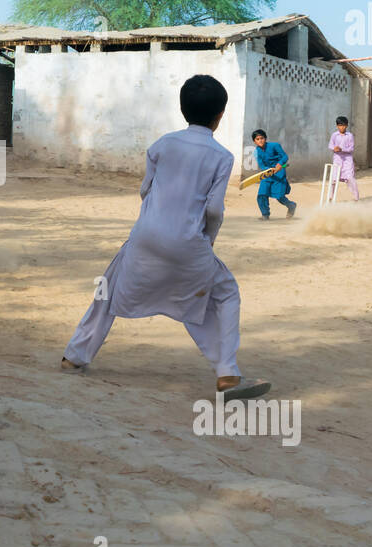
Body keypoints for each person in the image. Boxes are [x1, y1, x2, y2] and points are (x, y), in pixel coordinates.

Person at [60, 75, 271, 401]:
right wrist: (208, 242)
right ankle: (227, 372)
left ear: (182, 109)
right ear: (220, 115)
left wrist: (156, 217)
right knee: (223, 294)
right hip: (189, 243)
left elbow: (146, 189)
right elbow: (214, 209)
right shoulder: (222, 156)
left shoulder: (162, 144)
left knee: (108, 288)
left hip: (145, 236)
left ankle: (75, 355)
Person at [251, 129, 296, 219]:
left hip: (279, 174)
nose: (260, 140)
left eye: (262, 138)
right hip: (267, 174)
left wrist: (280, 164)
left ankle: (291, 205)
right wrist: (268, 170)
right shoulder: (256, 151)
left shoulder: (275, 145)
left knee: (279, 196)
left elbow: (285, 156)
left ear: (265, 138)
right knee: (262, 195)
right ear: (254, 141)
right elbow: (262, 165)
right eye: (257, 139)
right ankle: (265, 215)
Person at [329, 116, 360, 201]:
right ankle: (331, 197)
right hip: (337, 159)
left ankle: (356, 198)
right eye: (339, 125)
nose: (341, 127)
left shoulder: (350, 135)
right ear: (337, 126)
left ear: (346, 126)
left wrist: (342, 149)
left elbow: (351, 148)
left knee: (350, 178)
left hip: (347, 160)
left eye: (343, 125)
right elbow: (330, 145)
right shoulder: (334, 135)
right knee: (333, 179)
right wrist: (334, 148)